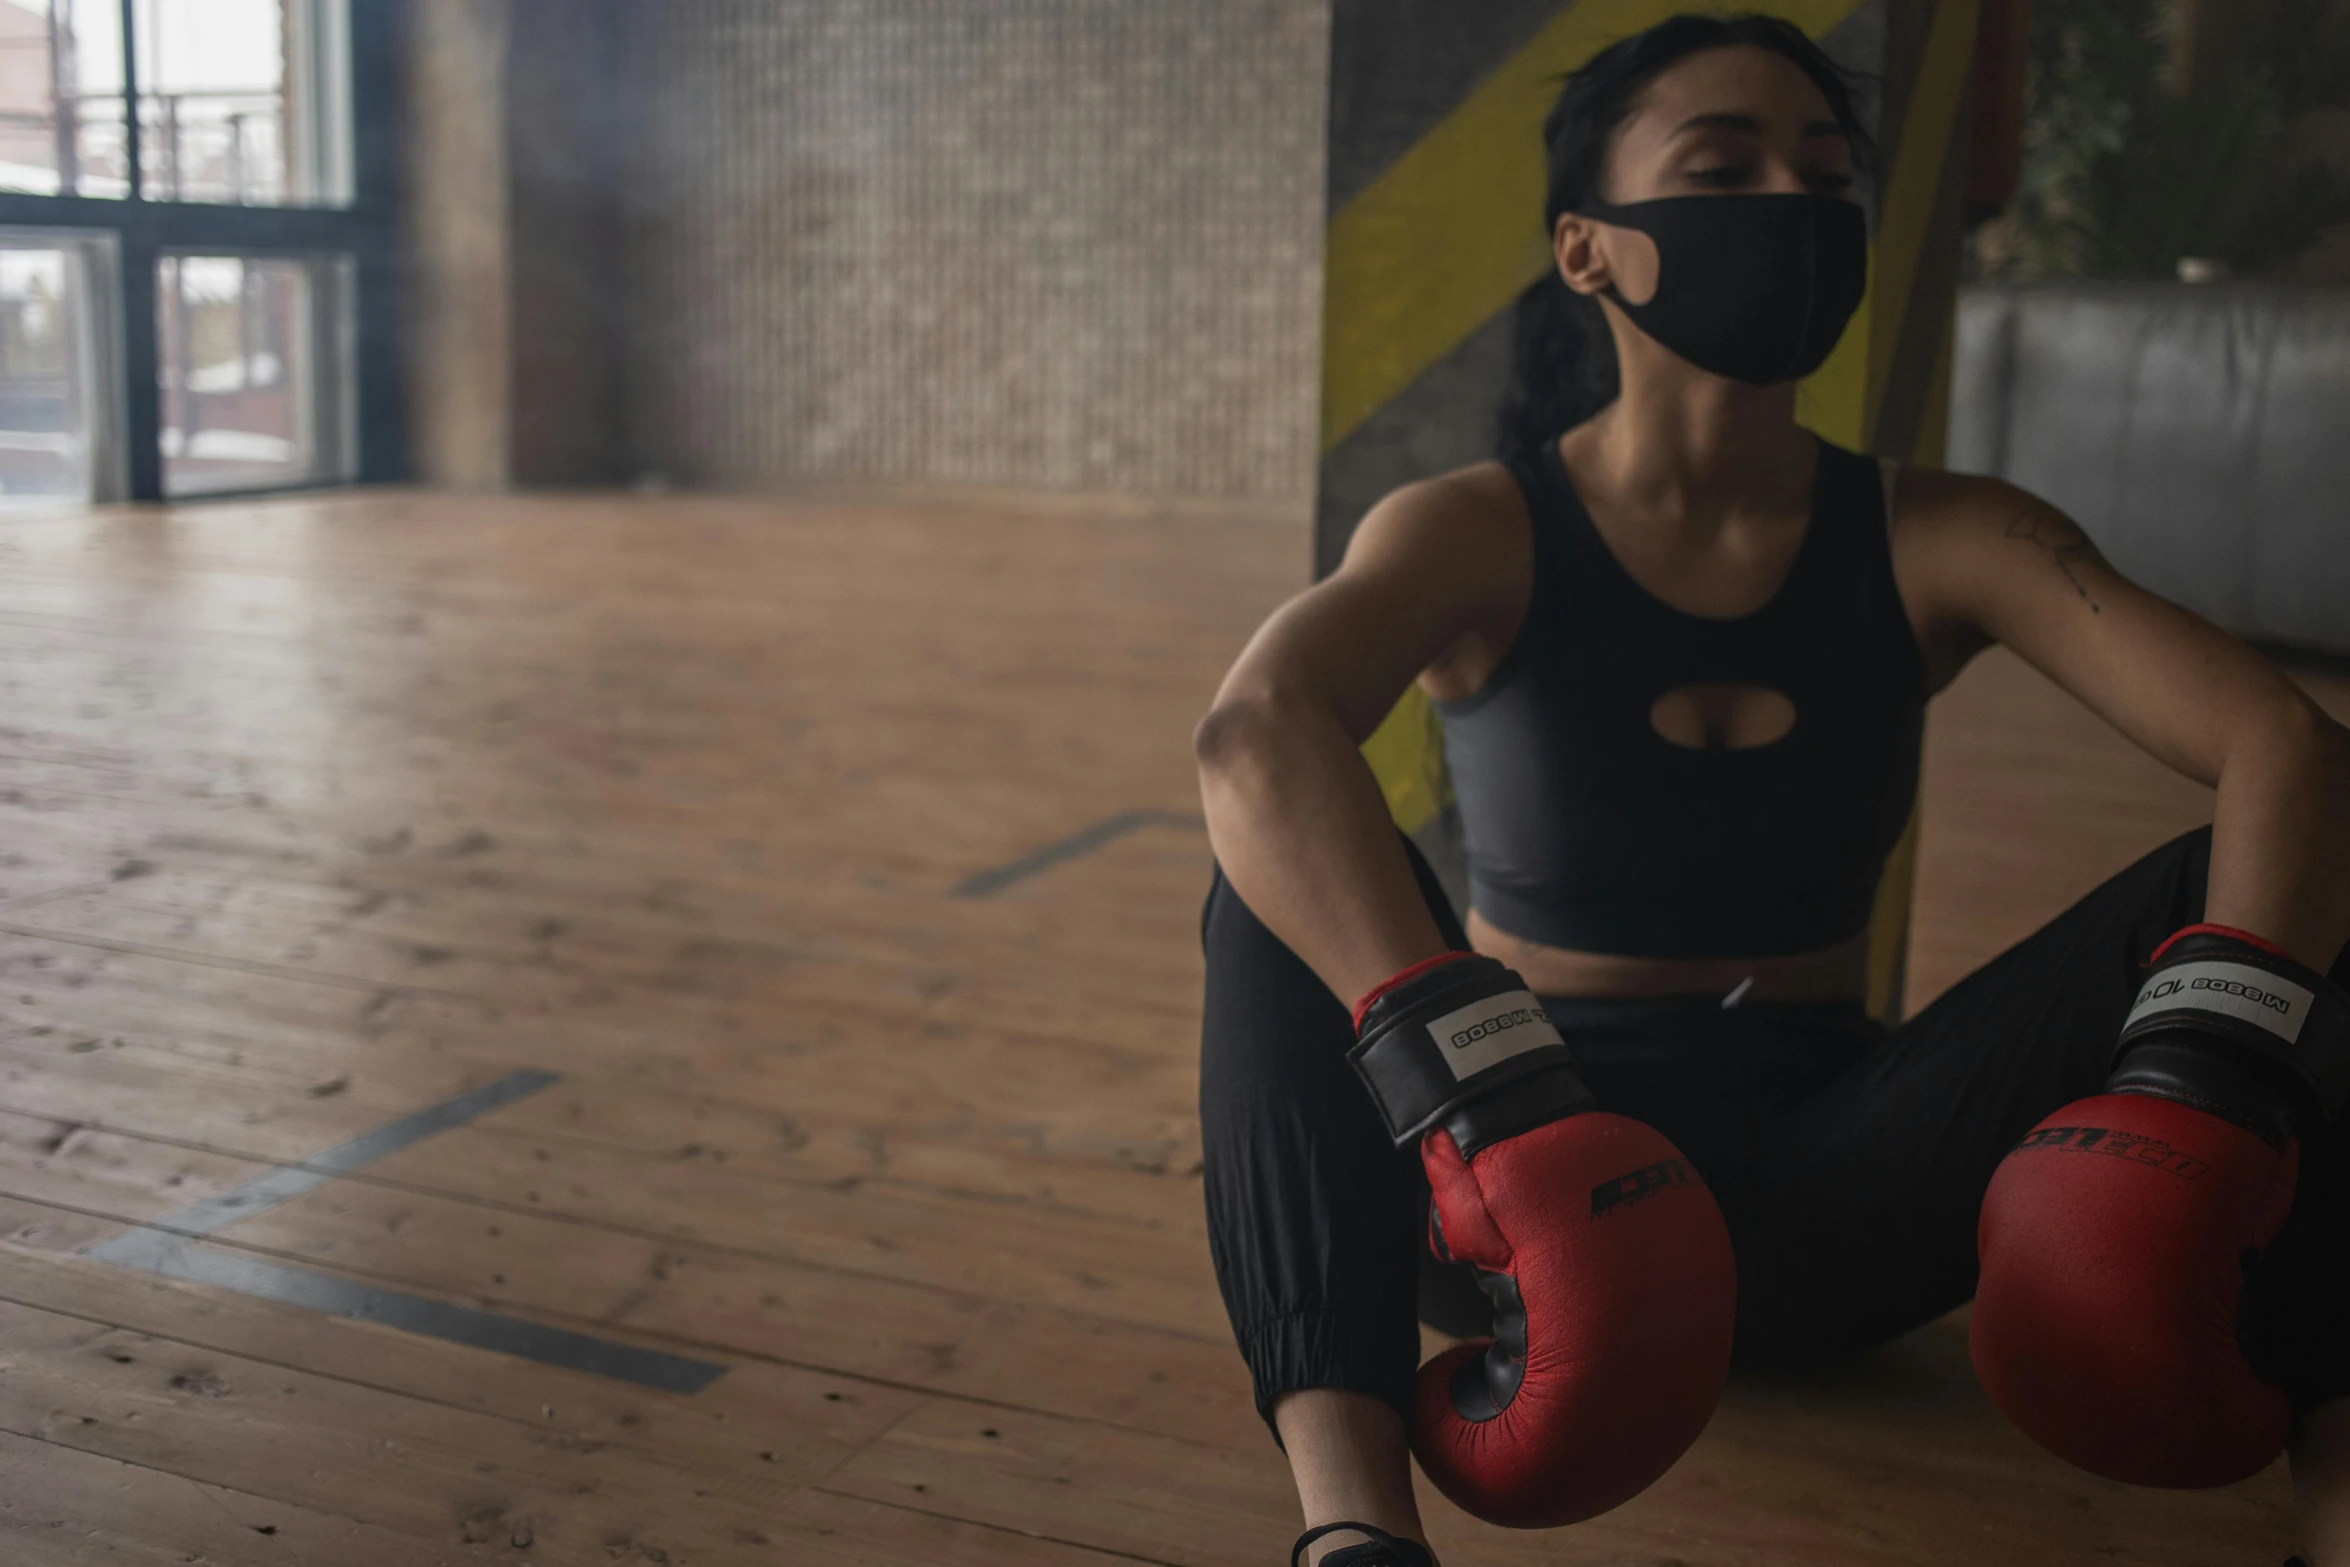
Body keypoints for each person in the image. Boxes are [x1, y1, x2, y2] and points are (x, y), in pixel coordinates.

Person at [1191, 14, 2350, 1567]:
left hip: (1832, 1188)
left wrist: (2212, 1075)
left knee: (2287, 879)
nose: (1788, 208)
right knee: (1264, 893)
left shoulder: (1951, 534)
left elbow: (2286, 742)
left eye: (1818, 173)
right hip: (1521, 1186)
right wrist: (1474, 1086)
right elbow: (1253, 733)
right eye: (1719, 167)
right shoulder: (1475, 528)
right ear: (1587, 249)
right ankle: (1354, 1534)